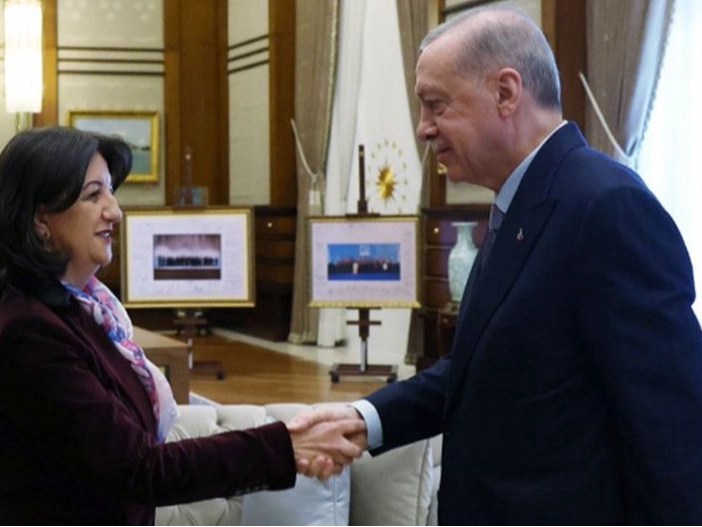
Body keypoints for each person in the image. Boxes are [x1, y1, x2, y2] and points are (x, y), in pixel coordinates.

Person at [293, 6, 702, 526]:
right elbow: (480, 370)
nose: (423, 128)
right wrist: (364, 418)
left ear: (505, 93)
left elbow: (671, 428)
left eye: (435, 104)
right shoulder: (520, 204)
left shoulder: (606, 207)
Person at [0, 126, 364, 527]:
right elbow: (140, 469)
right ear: (40, 220)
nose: (115, 211)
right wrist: (285, 445)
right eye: (93, 195)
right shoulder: (27, 333)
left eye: (110, 192)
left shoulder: (81, 311)